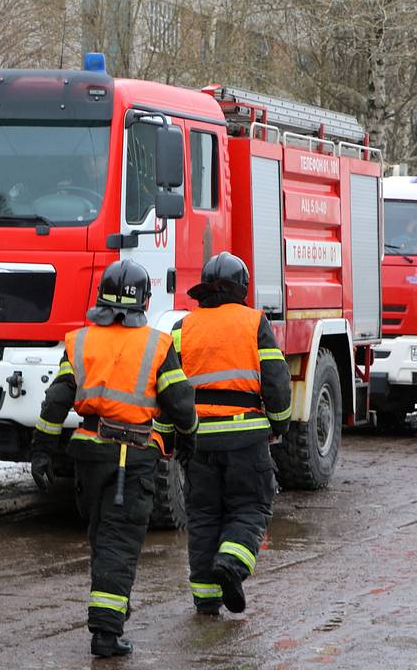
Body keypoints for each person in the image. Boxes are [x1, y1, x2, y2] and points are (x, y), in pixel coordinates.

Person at [30, 259, 197, 658]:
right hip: (133, 457)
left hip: (89, 454)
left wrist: (41, 450)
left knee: (102, 539)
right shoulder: (158, 345)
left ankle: (110, 614)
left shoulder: (81, 342)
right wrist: (187, 438)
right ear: (145, 302)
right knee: (119, 544)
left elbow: (56, 401)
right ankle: (106, 632)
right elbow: (180, 403)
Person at [172, 252, 291, 616]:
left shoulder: (182, 327)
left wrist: (174, 438)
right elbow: (276, 380)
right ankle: (231, 564)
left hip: (198, 440)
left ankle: (206, 599)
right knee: (251, 507)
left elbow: (171, 390)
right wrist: (279, 423)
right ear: (242, 288)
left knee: (204, 516)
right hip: (245, 438)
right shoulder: (254, 322)